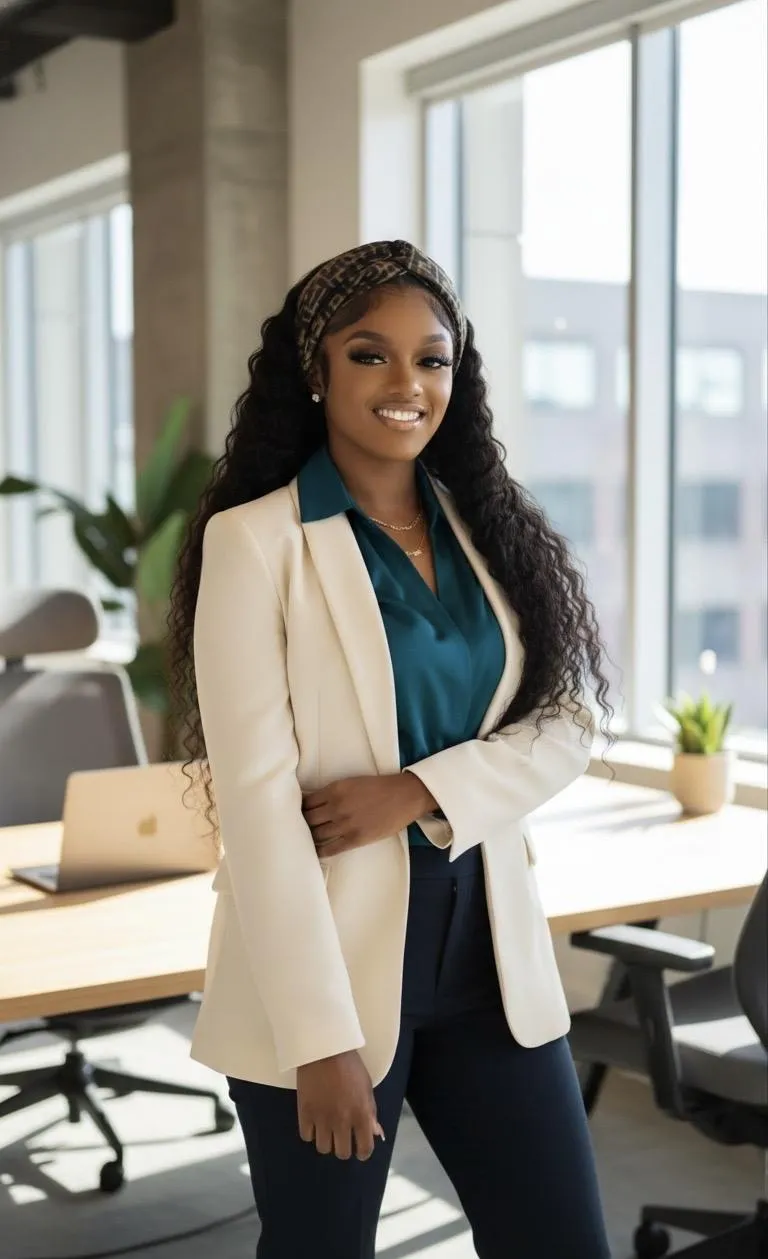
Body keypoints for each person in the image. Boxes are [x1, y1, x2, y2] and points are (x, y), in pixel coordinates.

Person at [169, 239, 614, 1259]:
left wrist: (421, 788)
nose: (409, 384)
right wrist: (321, 1041)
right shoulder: (257, 543)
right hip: (322, 970)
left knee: (562, 1239)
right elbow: (259, 805)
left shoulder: (488, 527)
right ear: (316, 369)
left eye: (434, 358)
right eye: (371, 355)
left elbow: (570, 720)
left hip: (487, 954)